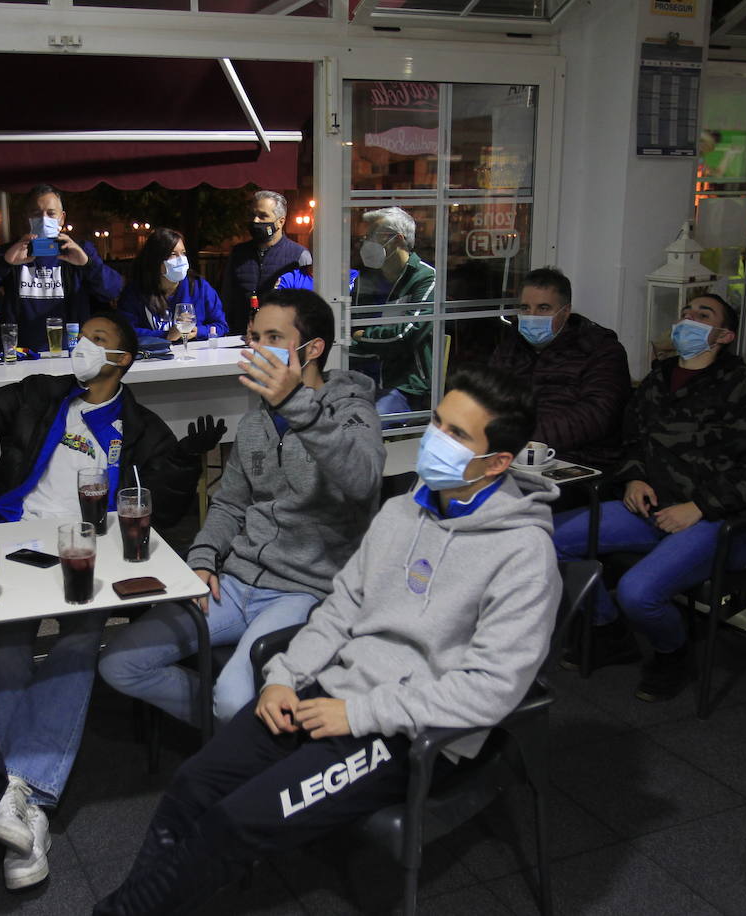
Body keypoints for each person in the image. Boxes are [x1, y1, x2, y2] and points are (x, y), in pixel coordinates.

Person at [94, 365, 561, 915]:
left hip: (405, 732)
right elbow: (342, 607)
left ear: (498, 462)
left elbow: (490, 690)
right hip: (328, 692)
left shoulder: (525, 555)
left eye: (457, 435)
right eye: (437, 422)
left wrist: (359, 715)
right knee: (193, 785)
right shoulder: (401, 510)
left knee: (232, 823)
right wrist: (284, 676)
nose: (436, 439)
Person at [0, 309, 225, 891]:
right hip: (15, 538)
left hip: (87, 549)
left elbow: (161, 510)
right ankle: (18, 796)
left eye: (97, 340)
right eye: (83, 335)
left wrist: (182, 461)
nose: (82, 346)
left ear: (121, 360)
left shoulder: (139, 424)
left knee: (79, 640)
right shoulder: (38, 395)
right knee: (8, 643)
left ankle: (20, 794)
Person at [100, 288, 384, 726]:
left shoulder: (351, 411)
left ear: (313, 349)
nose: (256, 347)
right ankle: (232, 735)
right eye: (254, 336)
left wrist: (297, 408)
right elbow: (230, 503)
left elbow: (363, 479)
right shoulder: (256, 419)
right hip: (234, 581)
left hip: (304, 591)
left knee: (235, 699)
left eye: (273, 336)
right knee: (119, 663)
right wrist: (203, 559)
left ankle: (236, 728)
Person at [550, 294, 746, 702]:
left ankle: (672, 653)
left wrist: (700, 507)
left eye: (703, 315)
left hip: (721, 521)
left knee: (637, 592)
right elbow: (631, 443)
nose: (688, 319)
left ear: (725, 334)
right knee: (544, 540)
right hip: (653, 510)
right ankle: (609, 633)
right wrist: (633, 480)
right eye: (685, 313)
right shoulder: (658, 380)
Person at [487, 267, 631, 470]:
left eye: (543, 308)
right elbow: (487, 397)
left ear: (566, 311)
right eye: (525, 308)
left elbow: (596, 416)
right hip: (512, 456)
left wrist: (525, 438)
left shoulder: (601, 350)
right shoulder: (510, 347)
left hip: (579, 462)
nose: (532, 315)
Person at [0, 184, 123, 351]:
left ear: (62, 218)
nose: (44, 219)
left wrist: (88, 264)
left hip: (71, 353)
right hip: (22, 354)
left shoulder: (78, 250)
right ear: (27, 218)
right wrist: (4, 263)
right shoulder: (15, 251)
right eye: (36, 214)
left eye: (51, 213)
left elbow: (113, 290)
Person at [348, 207, 438, 418]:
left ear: (397, 239)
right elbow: (348, 328)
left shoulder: (424, 277)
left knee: (364, 426)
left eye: (372, 236)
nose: (366, 242)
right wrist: (358, 338)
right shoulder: (365, 279)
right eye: (365, 236)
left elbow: (405, 335)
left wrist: (362, 336)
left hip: (404, 385)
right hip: (361, 377)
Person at [219, 190, 312, 336]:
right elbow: (226, 298)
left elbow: (307, 307)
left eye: (263, 216)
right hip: (239, 338)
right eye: (253, 215)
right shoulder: (238, 253)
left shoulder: (299, 256)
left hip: (281, 342)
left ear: (280, 222)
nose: (255, 221)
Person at [118, 228, 229, 341]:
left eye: (183, 253)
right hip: (154, 358)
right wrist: (166, 335)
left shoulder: (200, 288)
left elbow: (221, 326)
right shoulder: (135, 292)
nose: (181, 259)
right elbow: (125, 331)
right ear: (155, 260)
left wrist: (198, 331)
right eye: (173, 254)